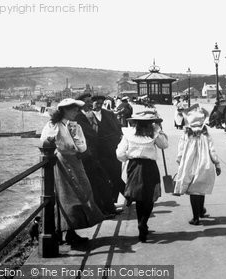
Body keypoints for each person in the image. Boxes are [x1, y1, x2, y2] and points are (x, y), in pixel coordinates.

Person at [40, 98, 104, 244]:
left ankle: (70, 230)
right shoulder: (53, 125)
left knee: (82, 192)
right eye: (74, 109)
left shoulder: (73, 125)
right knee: (67, 196)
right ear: (65, 110)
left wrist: (76, 138)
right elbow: (46, 142)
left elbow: (82, 147)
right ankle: (65, 232)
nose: (77, 112)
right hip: (62, 162)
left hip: (75, 162)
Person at [116, 109, 169, 242]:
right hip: (150, 167)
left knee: (139, 197)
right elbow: (164, 145)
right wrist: (158, 129)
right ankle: (143, 222)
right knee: (149, 196)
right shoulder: (154, 134)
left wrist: (129, 156)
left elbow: (120, 154)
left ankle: (141, 224)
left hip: (134, 166)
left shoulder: (128, 134)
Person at [173, 104, 221, 225]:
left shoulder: (186, 133)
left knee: (193, 190)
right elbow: (212, 150)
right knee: (200, 188)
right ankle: (200, 211)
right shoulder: (205, 133)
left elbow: (181, 149)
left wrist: (180, 161)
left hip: (189, 164)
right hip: (204, 163)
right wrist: (217, 163)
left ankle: (196, 217)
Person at [91, 95, 125, 207]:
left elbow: (118, 128)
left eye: (101, 103)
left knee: (116, 174)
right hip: (99, 153)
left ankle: (114, 200)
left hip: (113, 149)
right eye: (97, 103)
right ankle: (127, 195)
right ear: (92, 103)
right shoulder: (87, 116)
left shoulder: (109, 114)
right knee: (105, 177)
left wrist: (117, 140)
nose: (100, 105)